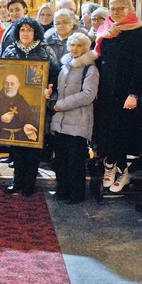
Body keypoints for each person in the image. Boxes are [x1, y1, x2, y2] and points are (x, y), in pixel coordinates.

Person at [0, 16, 60, 196]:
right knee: (16, 145)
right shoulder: (10, 50)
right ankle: (17, 181)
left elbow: (55, 75)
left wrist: (49, 90)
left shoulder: (45, 51)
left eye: (29, 30)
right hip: (14, 105)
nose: (25, 33)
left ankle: (29, 184)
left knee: (32, 145)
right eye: (22, 30)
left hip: (36, 106)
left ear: (35, 32)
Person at [93, 0, 142, 193]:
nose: (115, 12)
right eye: (112, 8)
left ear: (129, 9)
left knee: (122, 132)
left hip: (126, 91)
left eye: (120, 8)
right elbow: (99, 59)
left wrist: (134, 93)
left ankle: (123, 171)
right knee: (106, 131)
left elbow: (141, 64)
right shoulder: (105, 29)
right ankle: (110, 167)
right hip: (106, 90)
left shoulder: (138, 30)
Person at [48, 33, 99, 204]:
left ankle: (76, 195)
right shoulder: (65, 66)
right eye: (72, 45)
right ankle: (62, 191)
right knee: (60, 161)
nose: (74, 49)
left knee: (75, 163)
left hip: (78, 121)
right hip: (60, 121)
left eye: (78, 46)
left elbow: (88, 95)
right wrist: (52, 99)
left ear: (86, 47)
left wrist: (60, 105)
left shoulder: (90, 68)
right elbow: (58, 88)